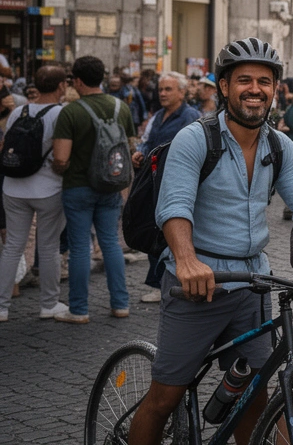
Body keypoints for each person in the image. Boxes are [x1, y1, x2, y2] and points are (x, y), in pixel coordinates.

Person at [126, 38, 293, 445]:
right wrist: (187, 261)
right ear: (224, 87)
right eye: (244, 80)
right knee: (165, 398)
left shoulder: (279, 145)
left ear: (275, 89)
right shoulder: (195, 139)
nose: (255, 89)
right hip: (198, 284)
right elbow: (174, 206)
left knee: (254, 397)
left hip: (252, 285)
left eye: (264, 81)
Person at [50, 56, 134, 324]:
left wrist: (58, 167)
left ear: (77, 81)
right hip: (111, 185)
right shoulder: (120, 107)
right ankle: (120, 304)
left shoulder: (70, 112)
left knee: (79, 247)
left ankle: (79, 309)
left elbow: (61, 158)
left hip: (78, 187)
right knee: (110, 242)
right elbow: (130, 146)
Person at [0, 65, 68, 322]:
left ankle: (1, 306)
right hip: (48, 189)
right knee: (49, 246)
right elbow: (62, 156)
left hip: (13, 187)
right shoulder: (61, 114)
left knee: (12, 246)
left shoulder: (19, 111)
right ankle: (49, 304)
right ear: (61, 86)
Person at [132, 71, 201, 303]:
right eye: (160, 89)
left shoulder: (191, 116)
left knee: (172, 232)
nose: (162, 93)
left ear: (182, 92)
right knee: (156, 231)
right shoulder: (158, 115)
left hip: (178, 184)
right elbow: (147, 142)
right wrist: (140, 153)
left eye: (168, 89)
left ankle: (166, 281)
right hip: (155, 182)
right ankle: (158, 281)